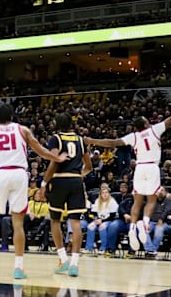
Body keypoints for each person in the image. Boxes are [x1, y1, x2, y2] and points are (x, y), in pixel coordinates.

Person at [0, 103, 67, 279]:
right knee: (18, 222)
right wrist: (57, 157)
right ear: (12, 116)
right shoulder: (23, 130)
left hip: (0, 173)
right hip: (20, 174)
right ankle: (19, 268)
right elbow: (40, 149)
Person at [39, 113, 114, 277]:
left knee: (55, 221)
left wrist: (44, 183)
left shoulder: (56, 138)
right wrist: (79, 175)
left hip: (59, 181)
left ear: (57, 124)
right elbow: (89, 166)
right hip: (76, 181)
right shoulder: (80, 140)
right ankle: (74, 264)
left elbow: (54, 161)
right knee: (75, 223)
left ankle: (62, 259)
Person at [120, 94, 171, 251]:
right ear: (146, 123)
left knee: (137, 201)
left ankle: (132, 228)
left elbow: (112, 142)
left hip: (139, 167)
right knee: (152, 200)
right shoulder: (154, 130)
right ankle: (145, 223)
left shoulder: (133, 136)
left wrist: (92, 141)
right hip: (152, 167)